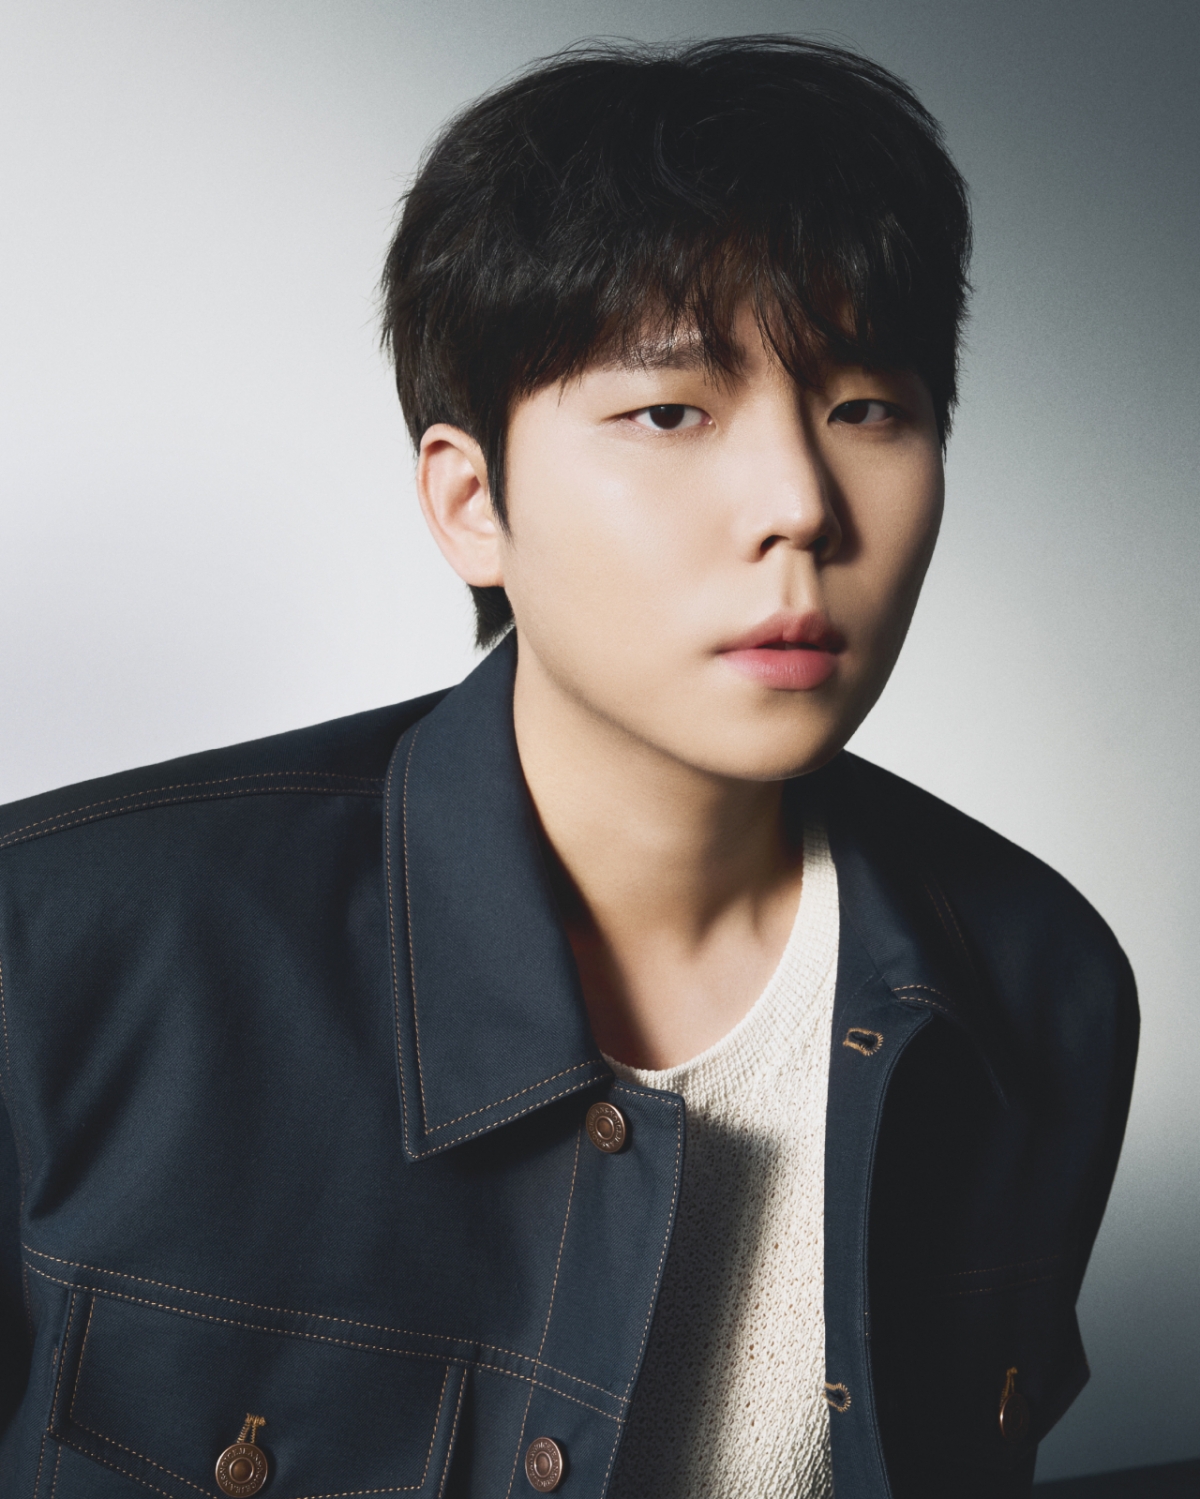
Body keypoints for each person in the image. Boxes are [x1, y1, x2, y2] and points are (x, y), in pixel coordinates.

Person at [0, 36, 1137, 1499]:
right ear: (472, 502)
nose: (801, 504)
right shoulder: (63, 955)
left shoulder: (1041, 989)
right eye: (671, 413)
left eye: (867, 409)